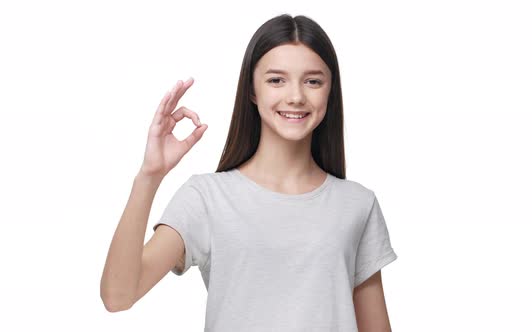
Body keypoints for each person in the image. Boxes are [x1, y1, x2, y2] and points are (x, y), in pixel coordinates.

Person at [100, 13, 398, 331]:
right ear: (253, 91)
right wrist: (150, 175)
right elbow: (118, 296)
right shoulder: (207, 198)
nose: (296, 96)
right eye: (276, 80)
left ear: (330, 91)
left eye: (313, 81)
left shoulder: (357, 204)